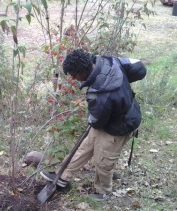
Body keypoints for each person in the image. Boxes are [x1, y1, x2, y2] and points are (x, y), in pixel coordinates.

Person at [40, 49, 146, 200]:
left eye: (74, 75)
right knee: (84, 146)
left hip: (120, 126)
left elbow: (97, 122)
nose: (74, 78)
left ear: (83, 70)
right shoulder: (108, 60)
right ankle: (62, 176)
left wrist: (118, 95)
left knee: (103, 160)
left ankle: (103, 191)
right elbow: (138, 66)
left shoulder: (99, 95)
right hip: (109, 115)